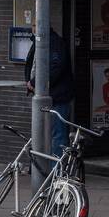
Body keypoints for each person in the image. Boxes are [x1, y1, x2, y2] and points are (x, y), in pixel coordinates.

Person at [24, 26, 76, 156]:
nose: (34, 28)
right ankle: (39, 168)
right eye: (33, 26)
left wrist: (34, 82)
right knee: (42, 134)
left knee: (57, 135)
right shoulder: (40, 41)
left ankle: (56, 171)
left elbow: (55, 67)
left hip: (57, 96)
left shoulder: (54, 42)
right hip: (45, 95)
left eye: (36, 25)